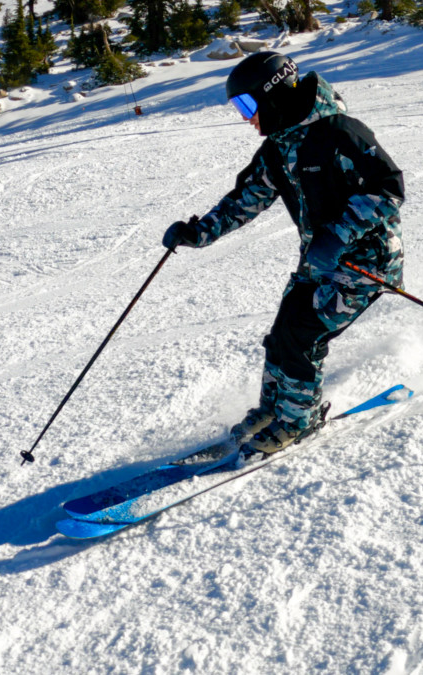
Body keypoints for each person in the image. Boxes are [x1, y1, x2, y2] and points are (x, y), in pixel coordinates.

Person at [163, 51, 405, 461]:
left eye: (245, 105)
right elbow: (246, 198)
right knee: (281, 335)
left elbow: (388, 189)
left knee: (301, 334)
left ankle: (299, 420)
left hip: (366, 264)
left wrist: (338, 235)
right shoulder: (278, 146)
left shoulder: (340, 132)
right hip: (318, 263)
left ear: (271, 94)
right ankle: (276, 409)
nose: (244, 117)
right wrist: (197, 232)